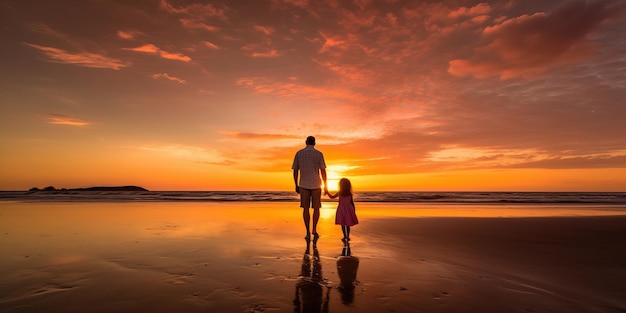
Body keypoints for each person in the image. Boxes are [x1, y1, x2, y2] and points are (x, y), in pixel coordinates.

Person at [292, 136, 328, 239]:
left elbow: (295, 170)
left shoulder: (299, 153)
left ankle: (307, 231)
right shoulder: (319, 154)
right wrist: (325, 185)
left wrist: (296, 184)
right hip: (316, 184)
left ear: (306, 142)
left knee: (305, 209)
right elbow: (323, 171)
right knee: (316, 208)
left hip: (303, 184)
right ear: (314, 143)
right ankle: (314, 229)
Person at [327, 178, 358, 242]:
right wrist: (353, 210)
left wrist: (327, 192)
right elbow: (352, 203)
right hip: (349, 209)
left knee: (343, 223)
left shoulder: (340, 192)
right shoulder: (349, 193)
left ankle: (344, 236)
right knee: (347, 224)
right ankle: (347, 236)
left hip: (341, 209)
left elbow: (332, 197)